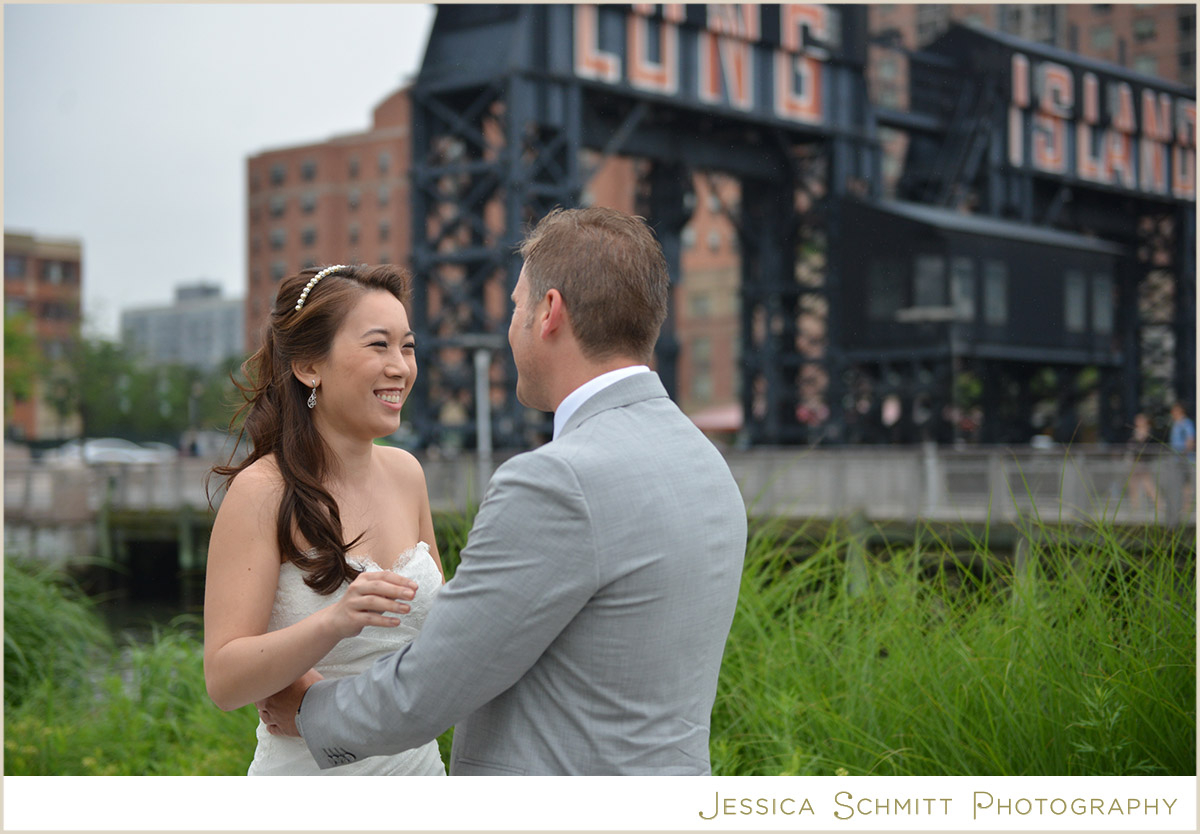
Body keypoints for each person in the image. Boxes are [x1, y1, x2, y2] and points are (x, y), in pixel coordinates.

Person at [259, 206, 748, 774]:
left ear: (549, 313)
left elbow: (436, 683)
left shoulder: (555, 482)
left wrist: (312, 714)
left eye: (516, 306)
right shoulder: (705, 463)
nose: (509, 325)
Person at [203, 264, 446, 776]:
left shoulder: (408, 474)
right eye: (378, 345)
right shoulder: (262, 492)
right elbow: (224, 680)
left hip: (419, 776)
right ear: (310, 365)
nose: (400, 367)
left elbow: (442, 643)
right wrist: (333, 622)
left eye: (408, 346)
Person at [1125, 412, 1158, 513]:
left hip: (1142, 462)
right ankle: (1135, 507)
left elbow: (1142, 443)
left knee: (1148, 484)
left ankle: (1159, 505)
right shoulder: (1135, 431)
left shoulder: (1146, 431)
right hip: (1134, 462)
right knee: (1133, 484)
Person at [1169, 401, 1195, 517]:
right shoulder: (1176, 424)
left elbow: (1190, 441)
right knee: (1181, 484)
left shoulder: (1186, 423)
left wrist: (1183, 454)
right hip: (1177, 459)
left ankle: (1187, 507)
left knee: (1188, 484)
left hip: (1185, 458)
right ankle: (1184, 507)